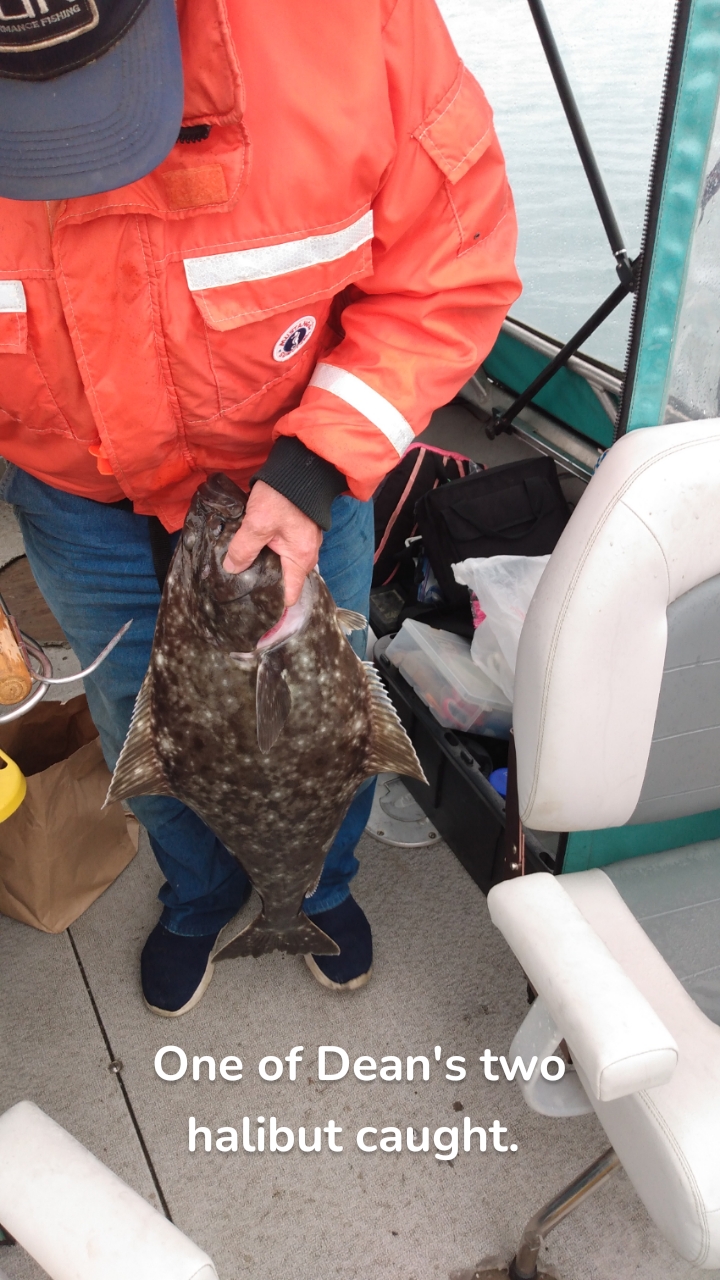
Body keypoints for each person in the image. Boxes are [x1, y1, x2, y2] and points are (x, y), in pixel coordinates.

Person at [0, 0, 520, 1015]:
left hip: (293, 476)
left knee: (336, 717)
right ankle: (198, 895)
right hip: (78, 495)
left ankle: (315, 889)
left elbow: (449, 269)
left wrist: (320, 468)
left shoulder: (356, 26)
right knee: (135, 729)